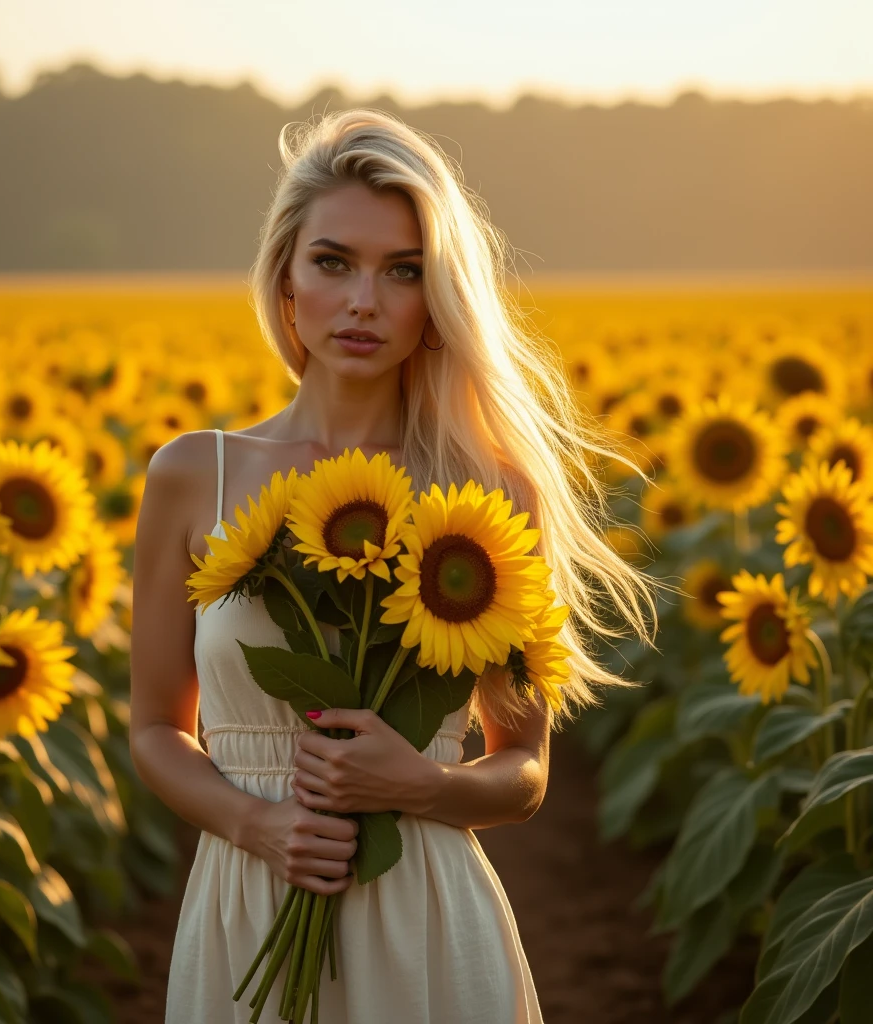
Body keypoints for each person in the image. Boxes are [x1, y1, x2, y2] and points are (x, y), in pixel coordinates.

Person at [129, 108, 658, 1023]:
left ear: (436, 301)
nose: (364, 300)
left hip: (424, 915)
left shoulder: (488, 498)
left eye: (403, 271)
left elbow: (525, 767)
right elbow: (152, 731)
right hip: (249, 901)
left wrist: (424, 784)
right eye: (334, 262)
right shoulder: (193, 475)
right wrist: (261, 825)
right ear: (286, 281)